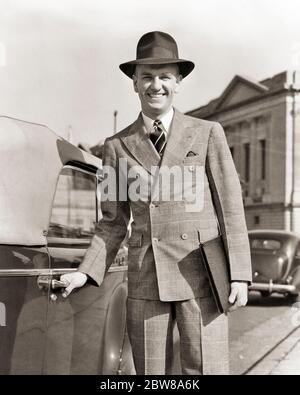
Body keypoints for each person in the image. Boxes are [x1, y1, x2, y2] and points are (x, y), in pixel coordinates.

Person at [61, 31, 252, 375]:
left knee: (205, 371)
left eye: (165, 76)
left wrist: (239, 275)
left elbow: (231, 208)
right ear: (134, 83)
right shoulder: (116, 147)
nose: (156, 85)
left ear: (178, 82)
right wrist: (84, 271)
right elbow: (112, 221)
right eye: (146, 77)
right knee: (151, 376)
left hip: (203, 278)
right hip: (147, 279)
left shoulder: (208, 133)